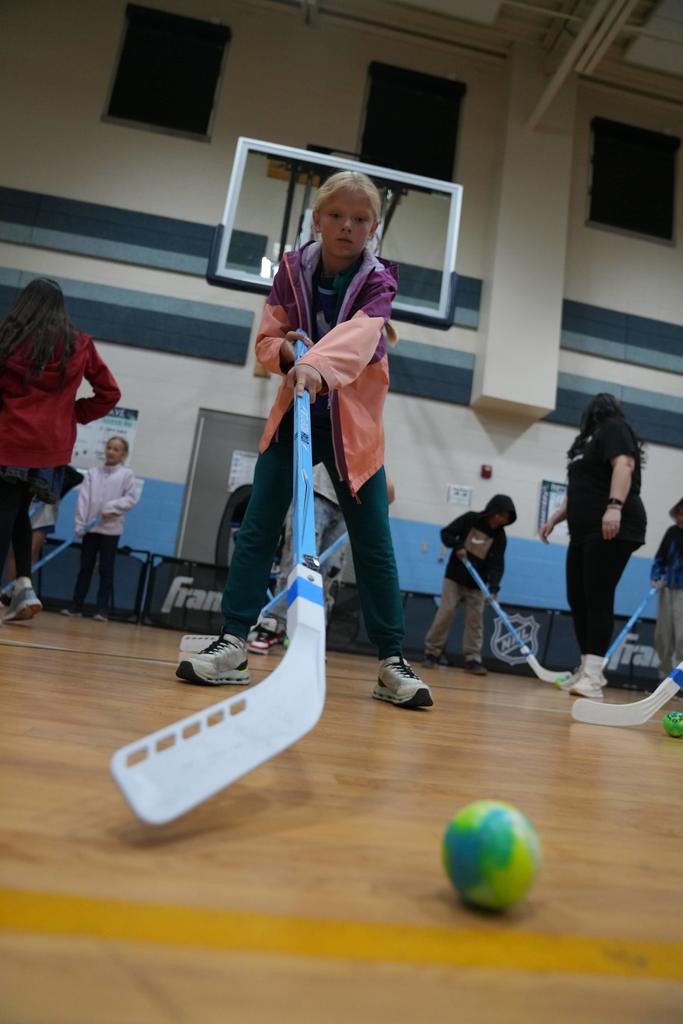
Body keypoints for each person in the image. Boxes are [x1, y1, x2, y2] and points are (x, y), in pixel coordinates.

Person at [176, 170, 432, 709]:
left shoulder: (380, 281)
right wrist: (291, 358)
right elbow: (266, 342)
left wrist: (313, 361)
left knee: (374, 543)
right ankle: (235, 642)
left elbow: (362, 339)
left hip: (354, 427)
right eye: (336, 215)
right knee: (260, 526)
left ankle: (391, 659)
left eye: (360, 219)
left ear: (374, 228)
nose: (346, 226)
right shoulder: (290, 272)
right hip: (295, 413)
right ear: (316, 219)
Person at [0, 278, 120, 623]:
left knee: (5, 511)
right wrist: (72, 414)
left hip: (9, 440)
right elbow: (109, 393)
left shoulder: (7, 341)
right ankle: (24, 586)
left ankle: (20, 588)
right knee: (19, 511)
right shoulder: (78, 345)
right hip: (49, 448)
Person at [540, 392, 646, 699]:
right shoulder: (585, 444)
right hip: (583, 530)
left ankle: (594, 675)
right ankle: (587, 666)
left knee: (598, 595)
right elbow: (577, 490)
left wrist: (614, 506)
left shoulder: (614, 428)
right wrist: (555, 518)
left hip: (616, 525)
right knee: (578, 597)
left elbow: (624, 465)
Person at [248, 462, 349, 653]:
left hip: (349, 503)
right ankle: (274, 626)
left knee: (328, 575)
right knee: (297, 564)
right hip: (314, 490)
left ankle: (312, 637)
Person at [422, 496, 517, 674]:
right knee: (445, 614)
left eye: (506, 518)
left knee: (475, 622)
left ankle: (473, 659)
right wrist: (458, 545)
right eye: (500, 515)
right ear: (492, 511)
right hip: (454, 578)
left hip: (477, 585)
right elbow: (447, 533)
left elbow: (497, 564)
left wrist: (494, 587)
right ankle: (432, 653)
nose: (501, 520)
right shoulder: (470, 519)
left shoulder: (500, 536)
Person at [61, 437, 138, 621]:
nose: (111, 451)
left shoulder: (126, 475)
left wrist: (111, 508)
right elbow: (83, 500)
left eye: (116, 449)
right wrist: (80, 524)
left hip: (111, 531)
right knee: (85, 567)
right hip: (90, 530)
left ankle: (102, 610)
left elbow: (131, 499)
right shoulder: (93, 473)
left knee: (106, 569)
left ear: (123, 454)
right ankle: (76, 606)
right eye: (109, 448)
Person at [1, 465, 84, 607]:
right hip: (30, 473)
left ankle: (20, 589)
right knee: (19, 516)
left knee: (10, 511)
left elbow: (77, 477)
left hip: (18, 465)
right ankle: (17, 588)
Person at [651, 497, 683, 678]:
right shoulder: (671, 532)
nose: (680, 518)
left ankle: (680, 684)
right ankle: (664, 679)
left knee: (682, 639)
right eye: (679, 514)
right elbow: (660, 558)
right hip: (668, 589)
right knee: (662, 637)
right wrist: (656, 577)